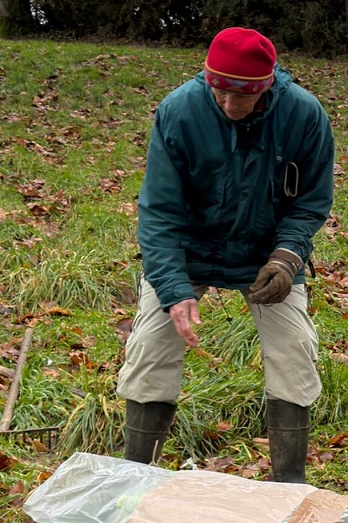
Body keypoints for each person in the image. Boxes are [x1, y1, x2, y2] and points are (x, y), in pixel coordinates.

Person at [119, 26, 336, 483]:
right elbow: (158, 212)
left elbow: (311, 201)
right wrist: (175, 292)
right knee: (149, 348)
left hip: (264, 253)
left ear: (267, 85)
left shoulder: (305, 115)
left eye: (244, 97)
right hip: (188, 251)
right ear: (208, 78)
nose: (230, 107)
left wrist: (286, 258)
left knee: (295, 350)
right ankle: (135, 477)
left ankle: (288, 483)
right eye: (220, 92)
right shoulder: (179, 111)